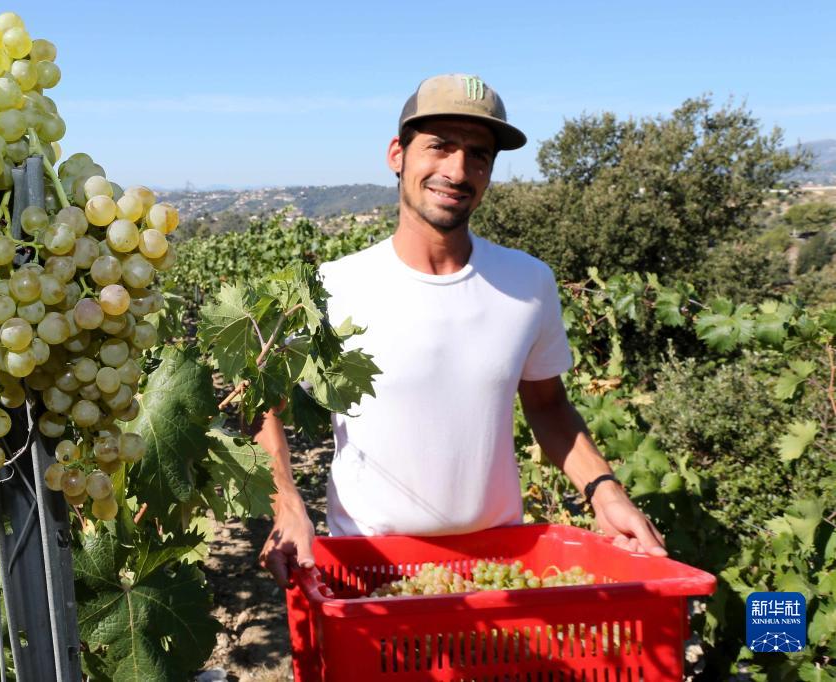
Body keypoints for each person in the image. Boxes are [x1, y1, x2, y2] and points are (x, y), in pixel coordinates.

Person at [256, 74, 666, 589]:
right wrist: (287, 502)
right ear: (397, 154)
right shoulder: (331, 289)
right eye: (439, 146)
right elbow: (264, 403)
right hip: (369, 570)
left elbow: (548, 406)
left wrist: (605, 491)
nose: (457, 170)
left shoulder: (529, 283)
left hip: (500, 570)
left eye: (478, 155)